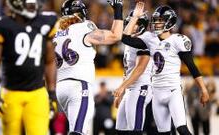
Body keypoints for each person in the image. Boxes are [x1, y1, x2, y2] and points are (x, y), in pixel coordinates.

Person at [122, 3, 210, 135]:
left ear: (170, 22)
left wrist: (203, 89)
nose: (157, 24)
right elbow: (125, 38)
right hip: (156, 92)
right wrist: (135, 17)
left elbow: (192, 67)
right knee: (163, 133)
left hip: (173, 91)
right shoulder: (150, 39)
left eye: (160, 21)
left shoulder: (177, 40)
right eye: (156, 20)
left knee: (182, 129)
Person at [0, 0, 58, 135]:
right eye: (29, 3)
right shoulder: (2, 25)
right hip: (11, 93)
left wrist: (52, 93)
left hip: (37, 93)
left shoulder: (46, 22)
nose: (33, 6)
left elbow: (50, 61)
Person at [52, 0, 124, 134]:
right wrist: (118, 9)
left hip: (61, 87)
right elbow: (116, 35)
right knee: (78, 131)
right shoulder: (84, 27)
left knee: (79, 130)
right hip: (78, 86)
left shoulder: (56, 33)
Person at [113, 3, 153, 134]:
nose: (129, 25)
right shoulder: (130, 43)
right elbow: (128, 71)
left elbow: (140, 69)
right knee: (121, 129)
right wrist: (123, 90)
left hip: (141, 87)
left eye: (133, 22)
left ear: (141, 25)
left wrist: (122, 87)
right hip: (131, 88)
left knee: (135, 130)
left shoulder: (145, 39)